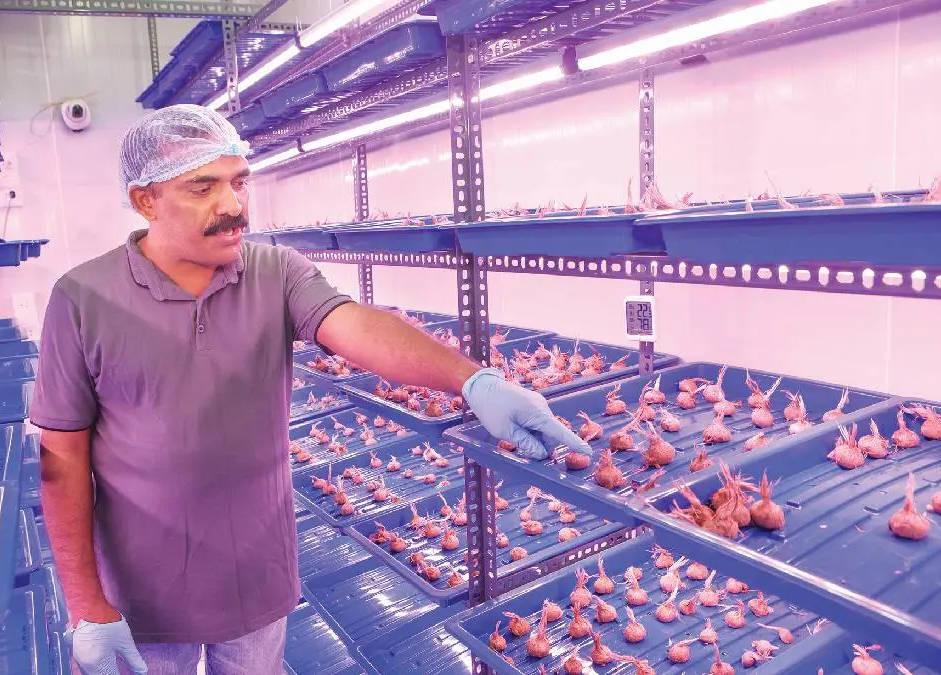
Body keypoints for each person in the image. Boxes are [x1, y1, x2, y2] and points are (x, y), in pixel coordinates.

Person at [30, 104, 591, 675]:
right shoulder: (83, 298)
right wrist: (87, 607)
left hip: (256, 583)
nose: (232, 206)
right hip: (136, 597)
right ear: (145, 200)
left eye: (239, 182)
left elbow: (357, 325)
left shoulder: (277, 272)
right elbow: (62, 461)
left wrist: (472, 380)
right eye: (203, 187)